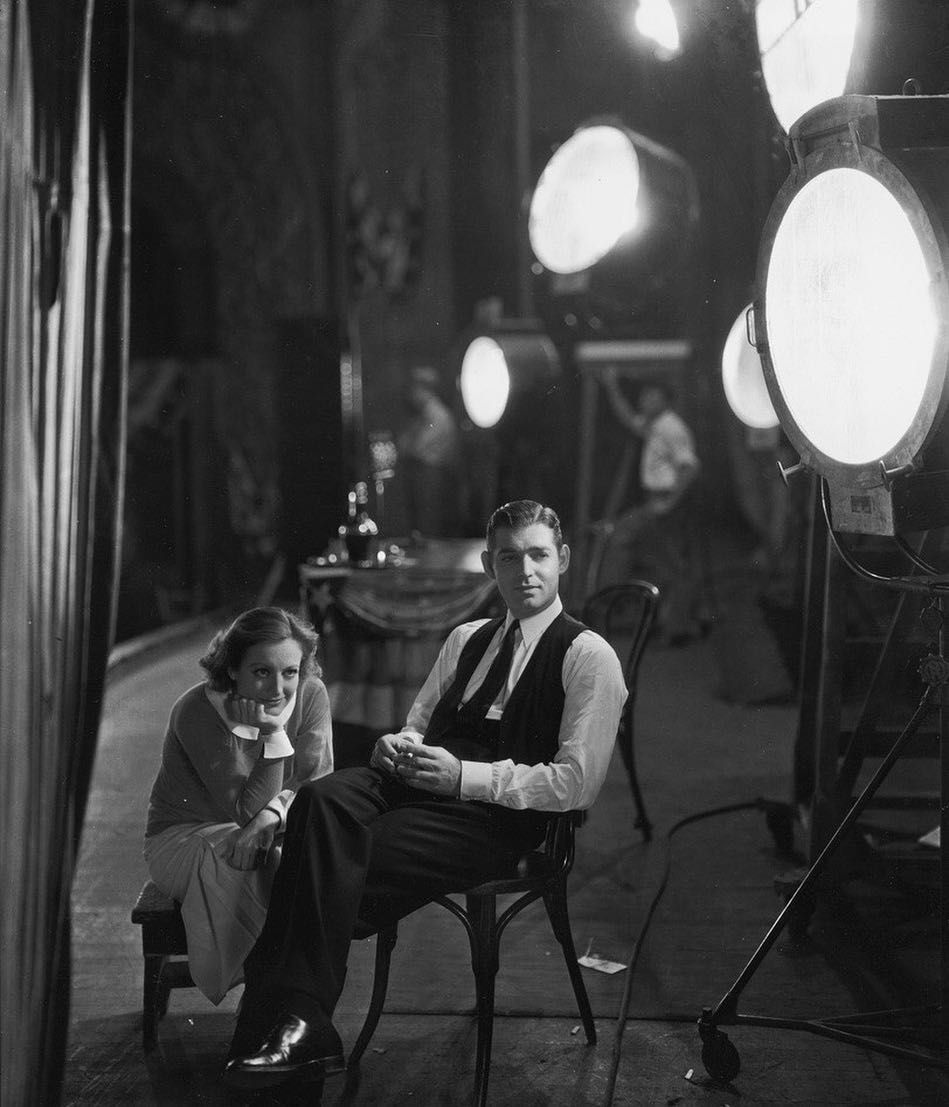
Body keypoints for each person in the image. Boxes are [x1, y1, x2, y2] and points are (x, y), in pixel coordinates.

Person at [224, 500, 626, 1091]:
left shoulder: (588, 656)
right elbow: (419, 724)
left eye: (539, 556)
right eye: (509, 558)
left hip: (498, 817)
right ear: (489, 565)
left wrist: (463, 777)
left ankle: (283, 1023)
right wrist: (399, 745)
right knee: (317, 804)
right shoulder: (467, 638)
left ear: (562, 559)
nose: (525, 572)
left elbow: (576, 783)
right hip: (423, 782)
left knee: (331, 851)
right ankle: (299, 1028)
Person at [143, 607, 333, 1004]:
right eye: (261, 671)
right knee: (251, 861)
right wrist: (273, 734)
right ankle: (267, 990)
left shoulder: (312, 694)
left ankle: (278, 989)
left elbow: (317, 785)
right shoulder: (196, 709)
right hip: (184, 837)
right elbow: (245, 812)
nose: (278, 689)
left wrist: (270, 817)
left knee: (298, 861)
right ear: (232, 669)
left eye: (290, 672)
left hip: (272, 827)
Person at [594, 369, 701, 641]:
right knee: (662, 561)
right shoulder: (655, 425)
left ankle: (618, 609)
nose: (645, 401)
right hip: (655, 499)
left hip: (665, 501)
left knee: (630, 542)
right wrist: (612, 387)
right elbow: (629, 419)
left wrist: (669, 502)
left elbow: (690, 467)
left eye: (652, 396)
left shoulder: (671, 426)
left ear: (665, 399)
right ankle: (660, 620)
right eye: (644, 396)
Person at [397, 364, 462, 536]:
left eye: (414, 389)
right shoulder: (423, 415)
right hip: (422, 475)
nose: (411, 395)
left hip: (432, 476)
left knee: (429, 524)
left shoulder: (438, 415)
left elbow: (414, 447)